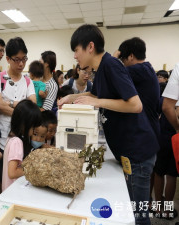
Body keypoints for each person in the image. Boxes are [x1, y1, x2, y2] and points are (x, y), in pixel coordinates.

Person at [58, 24, 159, 225]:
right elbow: (97, 94)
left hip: (137, 153)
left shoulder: (111, 65)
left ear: (90, 46)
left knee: (137, 216)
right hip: (128, 151)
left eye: (76, 51)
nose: (75, 57)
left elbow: (135, 104)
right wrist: (72, 96)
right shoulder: (102, 68)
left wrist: (97, 102)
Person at [0, 37, 36, 193]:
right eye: (17, 60)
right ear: (8, 59)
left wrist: (8, 103)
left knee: (20, 183)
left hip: (21, 142)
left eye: (24, 59)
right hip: (1, 141)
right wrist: (20, 106)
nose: (21, 64)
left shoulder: (28, 81)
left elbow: (33, 106)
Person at [2, 99, 41, 191]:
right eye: (33, 126)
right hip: (13, 192)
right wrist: (33, 170)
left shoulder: (11, 138)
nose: (34, 130)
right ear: (24, 124)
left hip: (9, 191)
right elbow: (12, 172)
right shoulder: (17, 142)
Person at [153, 82, 178, 220]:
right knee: (171, 175)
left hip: (162, 137)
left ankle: (158, 207)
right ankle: (167, 210)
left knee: (159, 172)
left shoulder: (165, 98)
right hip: (175, 137)